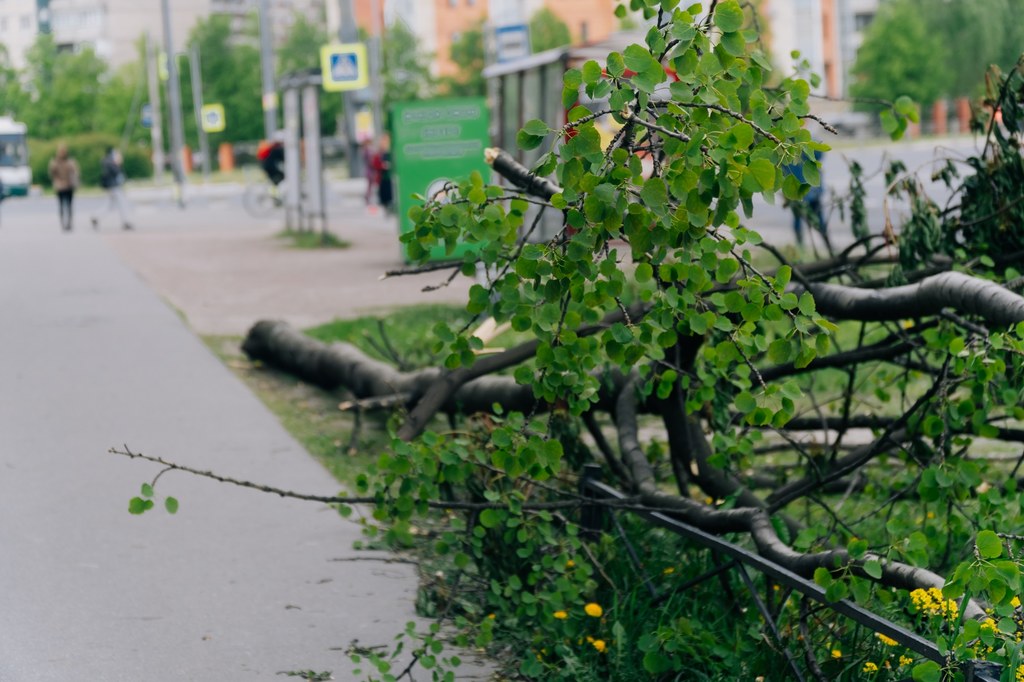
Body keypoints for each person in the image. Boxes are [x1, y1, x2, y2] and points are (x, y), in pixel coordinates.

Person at [784, 149, 828, 247]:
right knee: (815, 219)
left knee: (804, 219)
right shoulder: (797, 145)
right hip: (807, 191)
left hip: (801, 192)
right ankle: (825, 244)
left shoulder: (785, 148)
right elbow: (819, 154)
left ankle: (802, 246)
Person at [91, 147, 133, 231]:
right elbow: (117, 172)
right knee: (122, 204)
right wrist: (118, 163)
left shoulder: (107, 161)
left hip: (112, 186)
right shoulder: (110, 162)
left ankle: (96, 216)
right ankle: (126, 221)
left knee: (109, 205)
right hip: (114, 186)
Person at [48, 143, 80, 232]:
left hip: (65, 186)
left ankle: (67, 223)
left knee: (65, 205)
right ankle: (66, 223)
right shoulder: (66, 162)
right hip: (63, 186)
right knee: (65, 205)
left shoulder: (66, 162)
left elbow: (52, 174)